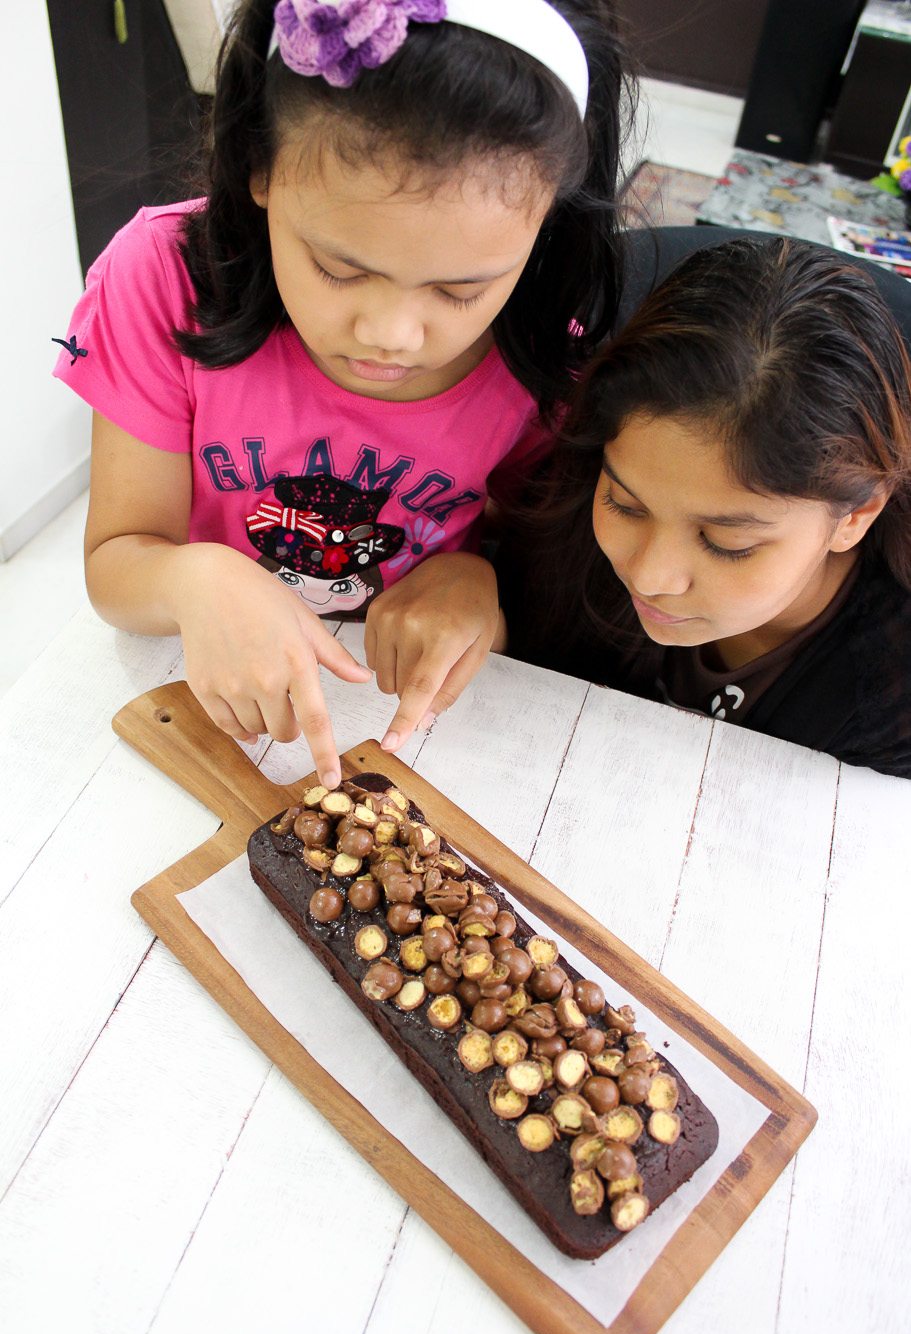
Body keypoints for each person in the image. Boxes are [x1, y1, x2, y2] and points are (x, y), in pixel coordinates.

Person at [52, 0, 632, 787]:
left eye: (460, 290)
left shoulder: (539, 352)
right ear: (258, 167)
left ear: (544, 226)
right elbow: (117, 565)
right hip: (183, 683)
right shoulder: (165, 279)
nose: (391, 334)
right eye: (340, 269)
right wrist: (196, 578)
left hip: (407, 719)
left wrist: (481, 585)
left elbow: (530, 556)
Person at [496, 235, 911, 779]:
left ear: (855, 517)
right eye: (624, 505)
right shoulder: (566, 506)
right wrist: (471, 584)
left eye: (727, 544)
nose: (648, 576)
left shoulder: (889, 702)